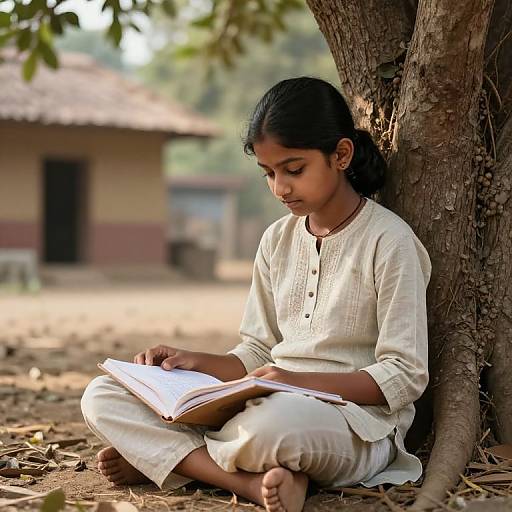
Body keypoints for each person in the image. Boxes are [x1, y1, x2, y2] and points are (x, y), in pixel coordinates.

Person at [81, 76, 431, 512]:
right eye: (268, 173)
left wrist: (297, 384)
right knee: (102, 395)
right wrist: (191, 361)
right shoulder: (276, 240)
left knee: (272, 428)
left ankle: (170, 460)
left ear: (341, 155)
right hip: (265, 401)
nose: (280, 188)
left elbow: (405, 374)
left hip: (352, 426)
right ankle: (247, 483)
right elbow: (257, 352)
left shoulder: (389, 241)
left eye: (294, 169)